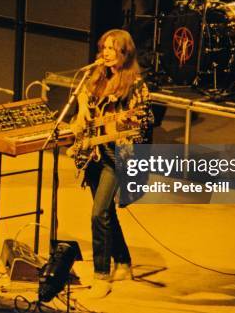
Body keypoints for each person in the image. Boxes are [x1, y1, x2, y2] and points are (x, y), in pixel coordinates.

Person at [69, 29, 153, 299]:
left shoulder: (136, 85)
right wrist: (82, 109)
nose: (105, 53)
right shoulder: (96, 75)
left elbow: (143, 123)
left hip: (117, 156)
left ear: (124, 53)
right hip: (93, 152)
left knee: (98, 214)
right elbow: (84, 96)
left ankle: (101, 275)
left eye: (111, 48)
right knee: (105, 213)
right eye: (103, 47)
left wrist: (124, 123)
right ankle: (125, 262)